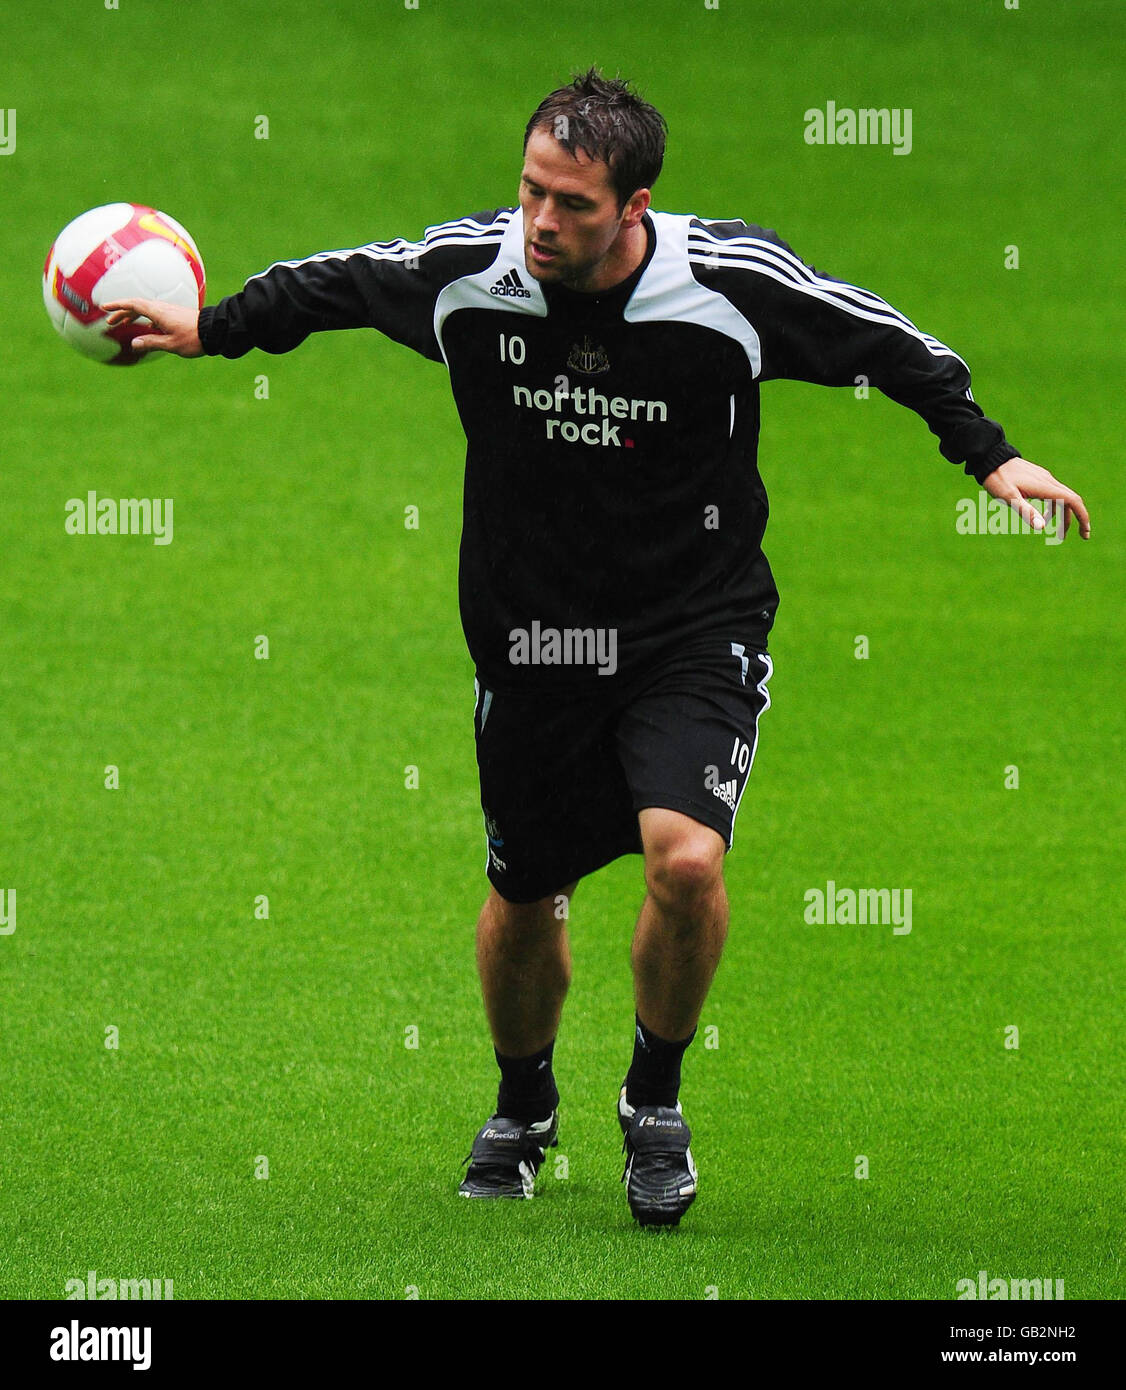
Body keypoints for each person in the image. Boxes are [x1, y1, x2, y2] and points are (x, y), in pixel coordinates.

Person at [104, 67, 1089, 1229]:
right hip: (529, 641)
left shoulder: (723, 287)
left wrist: (988, 454)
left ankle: (653, 1103)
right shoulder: (474, 277)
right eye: (531, 191)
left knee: (685, 862)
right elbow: (334, 285)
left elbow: (882, 337)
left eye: (571, 202)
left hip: (693, 624)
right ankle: (523, 1106)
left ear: (636, 203)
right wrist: (208, 330)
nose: (540, 222)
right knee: (527, 892)